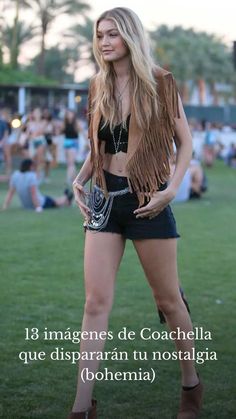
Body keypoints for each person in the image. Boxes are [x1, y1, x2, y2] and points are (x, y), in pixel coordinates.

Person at [69, 7, 203, 419]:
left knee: (168, 300)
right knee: (95, 303)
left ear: (129, 36)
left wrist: (172, 189)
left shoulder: (160, 82)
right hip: (106, 201)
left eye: (112, 34)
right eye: (100, 35)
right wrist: (80, 177)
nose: (105, 42)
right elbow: (102, 146)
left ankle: (190, 385)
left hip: (149, 200)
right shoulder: (97, 86)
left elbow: (185, 144)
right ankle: (81, 406)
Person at [2, 158, 73, 211]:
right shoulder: (31, 176)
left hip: (27, 205)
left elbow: (10, 193)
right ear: (30, 166)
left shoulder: (15, 175)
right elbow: (33, 194)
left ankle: (66, 197)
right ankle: (66, 197)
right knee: (56, 202)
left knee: (55, 201)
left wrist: (5, 205)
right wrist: (38, 207)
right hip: (40, 202)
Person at [62, 109, 86, 185]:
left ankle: (68, 179)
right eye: (68, 114)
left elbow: (83, 132)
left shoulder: (76, 123)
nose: (69, 115)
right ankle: (75, 179)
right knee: (68, 163)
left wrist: (88, 142)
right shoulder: (65, 123)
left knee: (71, 163)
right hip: (66, 143)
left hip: (74, 143)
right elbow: (60, 131)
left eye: (70, 113)